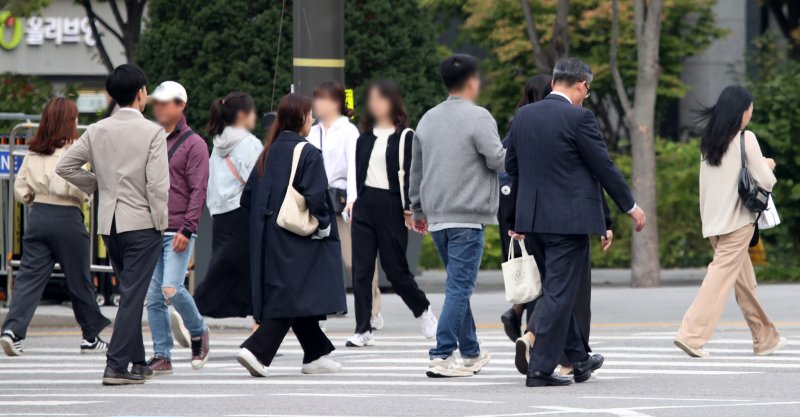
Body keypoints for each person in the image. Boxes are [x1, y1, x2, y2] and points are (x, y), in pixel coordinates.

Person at [506, 58, 645, 387]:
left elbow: (511, 167)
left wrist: (514, 217)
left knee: (557, 292)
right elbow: (603, 167)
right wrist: (630, 205)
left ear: (555, 81)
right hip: (568, 221)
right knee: (559, 294)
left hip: (532, 220)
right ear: (582, 85)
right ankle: (540, 369)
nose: (587, 95)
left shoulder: (524, 116)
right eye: (587, 90)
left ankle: (579, 360)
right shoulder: (579, 118)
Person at [56, 64, 169, 385]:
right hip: (143, 222)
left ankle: (136, 360)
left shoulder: (97, 130)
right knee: (134, 296)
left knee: (129, 290)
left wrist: (97, 185)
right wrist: (162, 223)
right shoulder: (152, 132)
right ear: (140, 93)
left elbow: (66, 166)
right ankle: (116, 365)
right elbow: (158, 185)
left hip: (110, 224)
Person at [235, 93, 347, 377]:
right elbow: (317, 198)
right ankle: (257, 349)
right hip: (296, 236)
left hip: (266, 234)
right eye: (310, 115)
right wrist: (323, 225)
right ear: (301, 118)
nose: (312, 120)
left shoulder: (268, 151)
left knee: (297, 291)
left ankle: (316, 353)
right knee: (294, 293)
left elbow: (246, 198)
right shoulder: (307, 152)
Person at [674, 85, 785, 358]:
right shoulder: (746, 139)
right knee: (719, 279)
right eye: (750, 108)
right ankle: (691, 335)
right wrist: (768, 164)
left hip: (714, 223)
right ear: (741, 111)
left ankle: (765, 338)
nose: (751, 113)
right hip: (738, 223)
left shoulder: (709, 141)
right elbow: (765, 180)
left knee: (744, 283)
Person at [410, 54, 503, 378]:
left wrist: (417, 209)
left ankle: (472, 352)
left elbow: (416, 170)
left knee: (457, 287)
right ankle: (441, 353)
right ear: (472, 81)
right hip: (467, 216)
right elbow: (498, 160)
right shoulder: (478, 117)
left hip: (437, 216)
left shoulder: (427, 119)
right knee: (460, 288)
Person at [0, 98, 111, 357]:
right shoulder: (76, 149)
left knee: (29, 278)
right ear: (68, 122)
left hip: (38, 214)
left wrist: (35, 200)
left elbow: (21, 189)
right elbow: (83, 188)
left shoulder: (34, 150)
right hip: (67, 217)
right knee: (79, 279)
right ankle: (90, 336)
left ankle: (12, 331)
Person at [346, 80, 438, 348]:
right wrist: (353, 201)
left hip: (391, 205)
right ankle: (363, 328)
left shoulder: (406, 136)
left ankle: (423, 310)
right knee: (361, 270)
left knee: (395, 270)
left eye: (380, 99)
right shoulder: (364, 138)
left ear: (392, 102)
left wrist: (411, 209)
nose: (374, 104)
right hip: (364, 205)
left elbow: (412, 174)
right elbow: (357, 174)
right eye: (372, 99)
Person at [143, 81, 210, 375]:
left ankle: (198, 331)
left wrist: (187, 228)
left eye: (165, 102)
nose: (159, 106)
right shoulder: (152, 138)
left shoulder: (195, 144)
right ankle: (162, 355)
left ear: (181, 105)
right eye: (156, 101)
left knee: (171, 288)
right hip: (153, 227)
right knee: (153, 298)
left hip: (179, 228)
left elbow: (199, 190)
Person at [193, 92, 263, 321]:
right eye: (252, 112)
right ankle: (192, 311)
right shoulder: (249, 143)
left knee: (230, 267)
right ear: (243, 115)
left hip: (221, 214)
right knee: (236, 269)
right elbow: (259, 180)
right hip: (244, 212)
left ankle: (259, 332)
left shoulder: (218, 143)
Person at [498, 74, 552, 342]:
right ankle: (532, 338)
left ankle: (518, 313)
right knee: (546, 277)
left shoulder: (516, 125)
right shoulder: (535, 128)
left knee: (533, 273)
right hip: (530, 212)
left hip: (513, 212)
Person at [307, 81, 359, 278]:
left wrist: (353, 201)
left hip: (342, 200)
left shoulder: (348, 131)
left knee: (353, 255)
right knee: (321, 256)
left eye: (321, 98)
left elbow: (355, 168)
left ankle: (372, 305)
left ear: (336, 102)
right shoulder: (312, 130)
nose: (316, 103)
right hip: (316, 200)